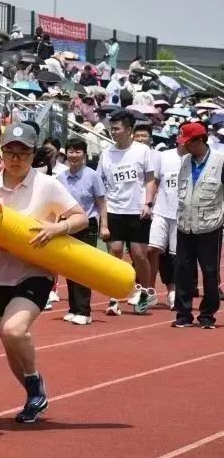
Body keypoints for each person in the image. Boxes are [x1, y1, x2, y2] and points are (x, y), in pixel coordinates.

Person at [0, 123, 87, 423]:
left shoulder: (47, 185)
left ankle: (34, 382)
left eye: (24, 153)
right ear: (2, 152)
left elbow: (80, 217)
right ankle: (33, 396)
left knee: (14, 330)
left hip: (36, 271)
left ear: (33, 154)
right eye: (10, 152)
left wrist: (58, 227)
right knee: (10, 345)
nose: (16, 159)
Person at [97, 110, 157, 315]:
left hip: (137, 210)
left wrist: (147, 203)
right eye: (111, 128)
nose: (113, 132)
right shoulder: (106, 153)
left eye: (117, 128)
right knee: (114, 253)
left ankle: (144, 294)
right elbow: (100, 183)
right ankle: (113, 298)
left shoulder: (142, 151)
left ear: (129, 130)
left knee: (139, 255)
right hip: (114, 209)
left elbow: (150, 179)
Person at [172, 122, 223, 330]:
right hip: (185, 224)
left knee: (210, 272)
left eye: (188, 142)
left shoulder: (220, 162)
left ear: (200, 141)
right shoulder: (185, 161)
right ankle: (183, 313)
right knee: (182, 270)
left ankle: (207, 314)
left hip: (209, 226)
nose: (184, 147)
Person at [56, 137, 108, 325]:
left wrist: (104, 226)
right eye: (71, 151)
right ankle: (73, 308)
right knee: (70, 267)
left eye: (78, 151)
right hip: (67, 225)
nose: (74, 155)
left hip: (87, 226)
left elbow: (101, 203)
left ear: (85, 155)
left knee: (83, 268)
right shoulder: (61, 177)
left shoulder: (92, 176)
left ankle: (84, 311)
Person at [148, 137, 185, 310]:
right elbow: (155, 182)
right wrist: (148, 203)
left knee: (176, 256)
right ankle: (150, 291)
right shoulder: (164, 156)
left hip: (182, 214)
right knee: (152, 249)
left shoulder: (194, 158)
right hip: (161, 211)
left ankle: (174, 292)